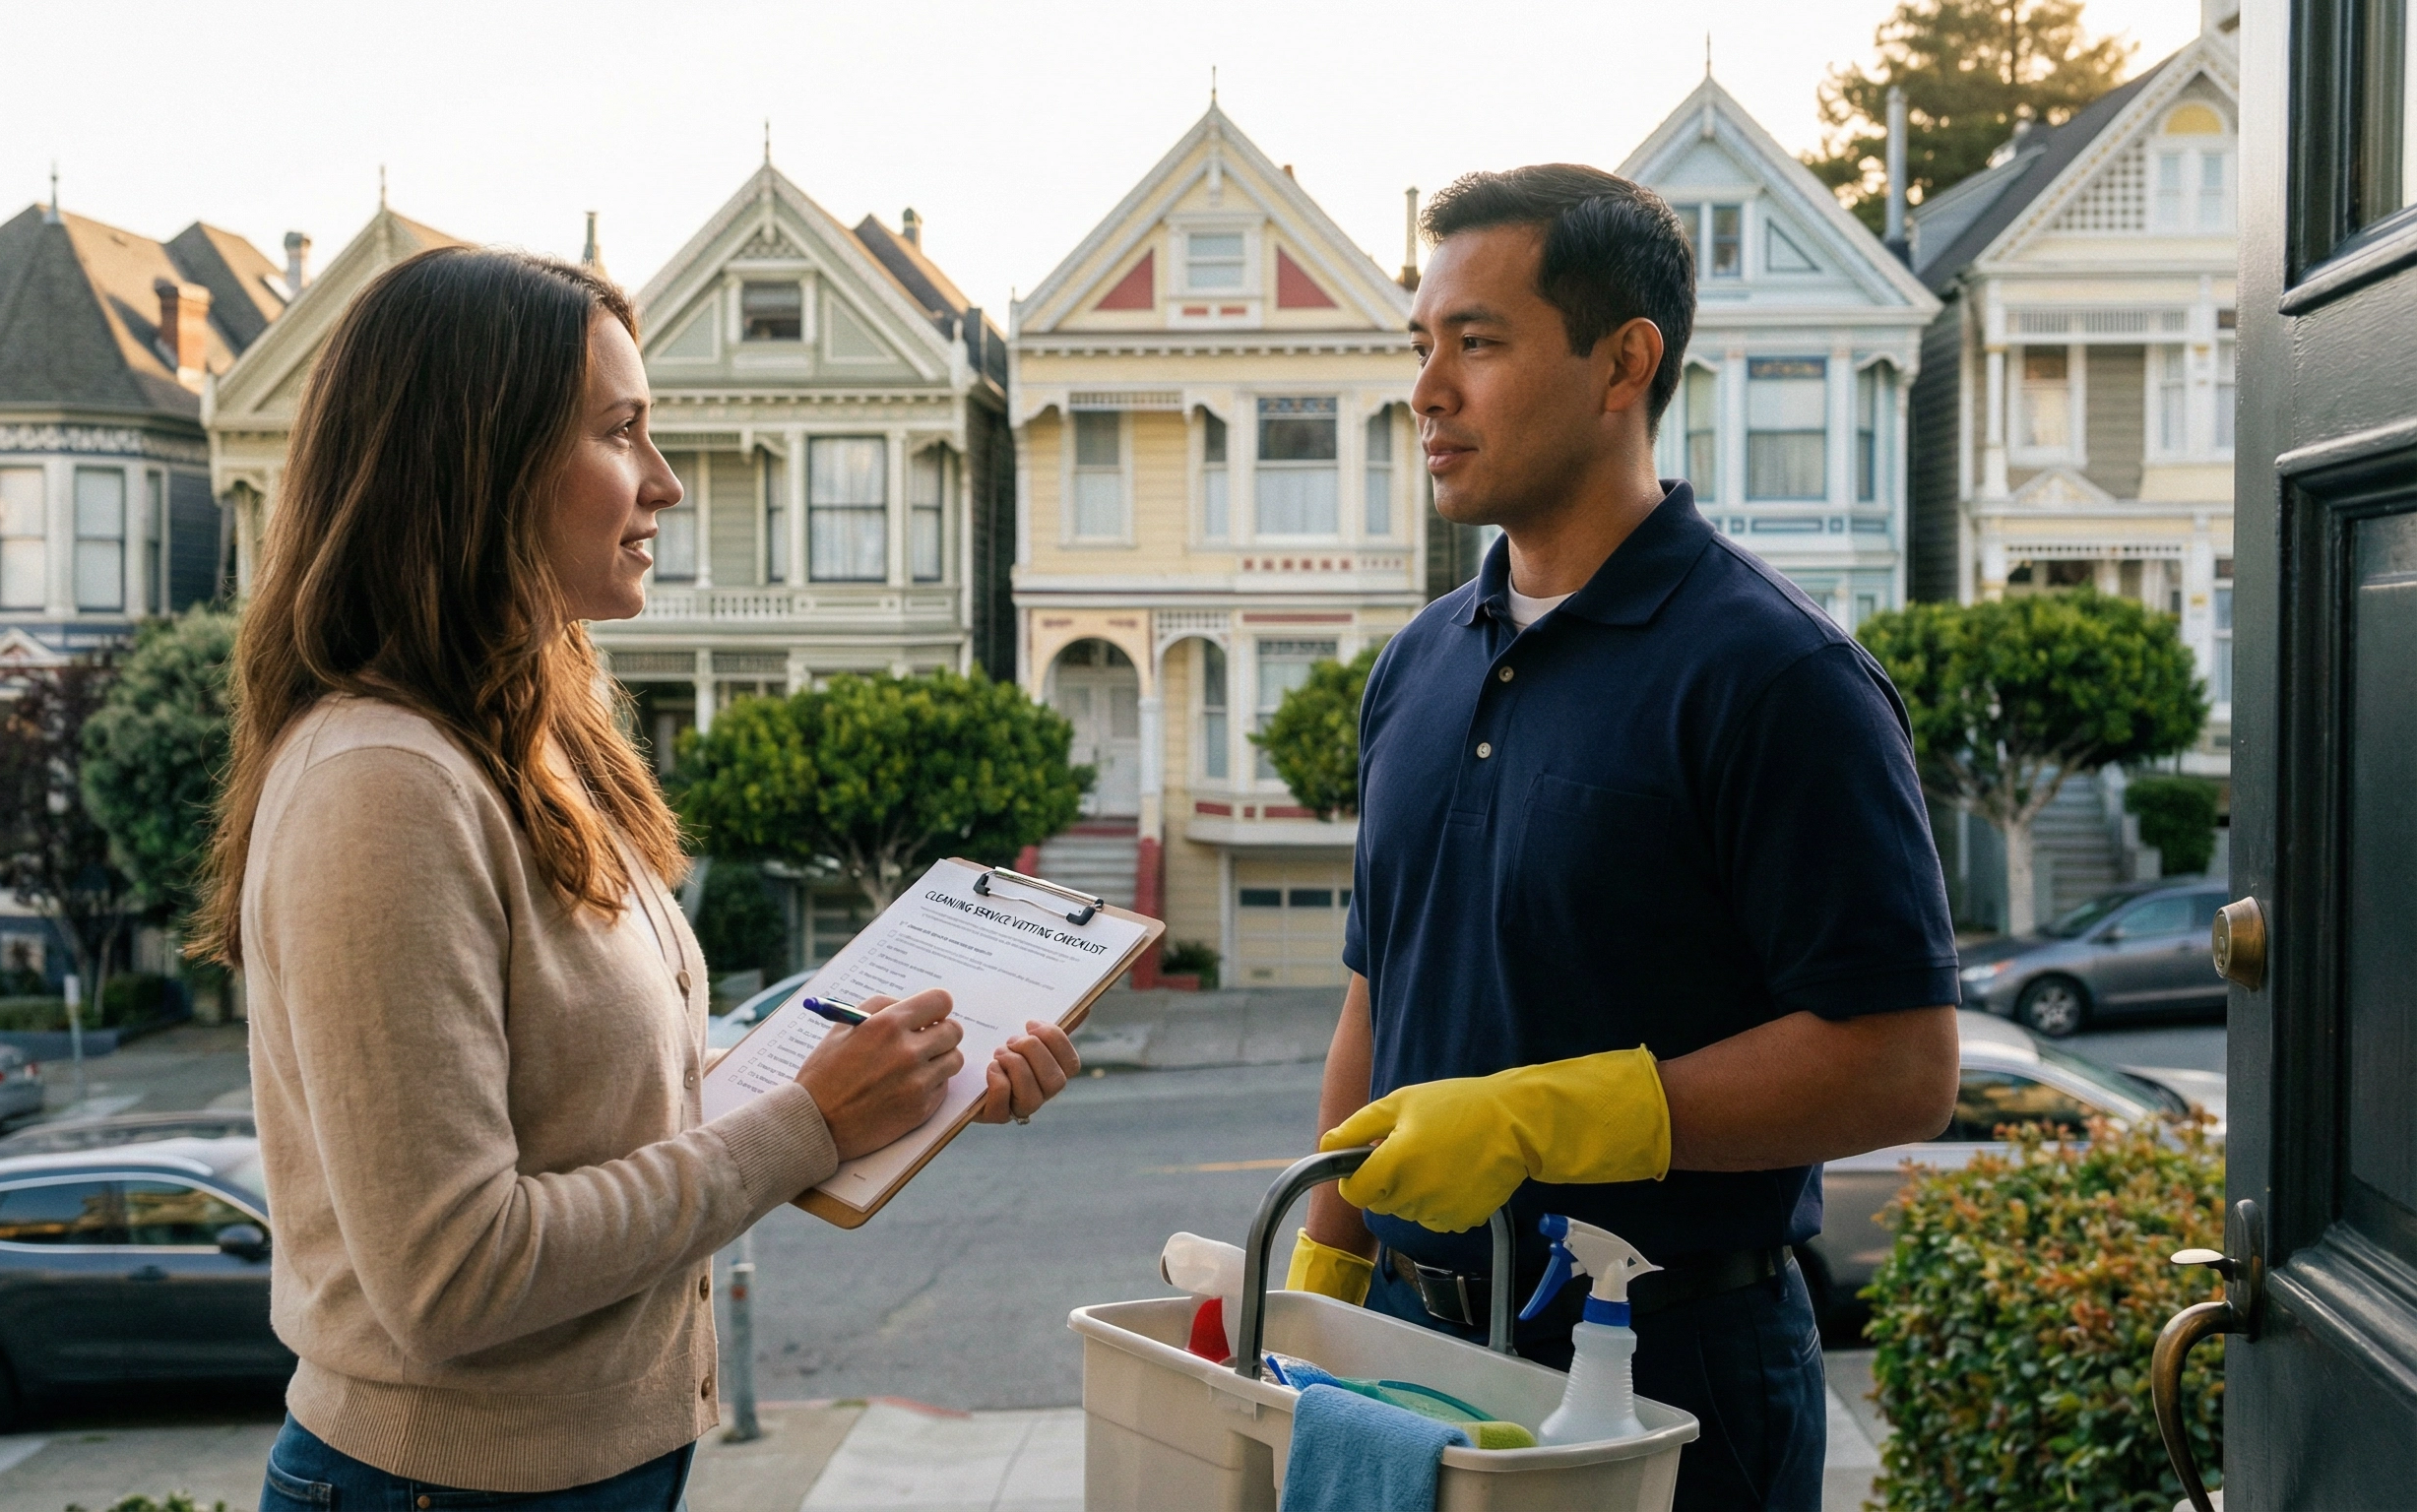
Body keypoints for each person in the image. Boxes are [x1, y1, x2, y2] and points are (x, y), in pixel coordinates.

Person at [193, 247, 1082, 1510]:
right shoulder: (379, 786)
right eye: (622, 433)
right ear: (477, 463)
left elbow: (620, 1122)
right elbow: (452, 1276)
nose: (662, 483)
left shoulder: (524, 749)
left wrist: (912, 1085)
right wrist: (809, 1122)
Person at [1282, 166, 1960, 1511]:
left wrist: (1550, 1118)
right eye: (1422, 347)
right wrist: (1316, 1280)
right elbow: (1381, 989)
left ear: (1623, 364)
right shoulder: (1415, 666)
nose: (1427, 392)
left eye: (1476, 344)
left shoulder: (1777, 679)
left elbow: (1900, 1064)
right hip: (1407, 1358)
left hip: (1671, 1370)